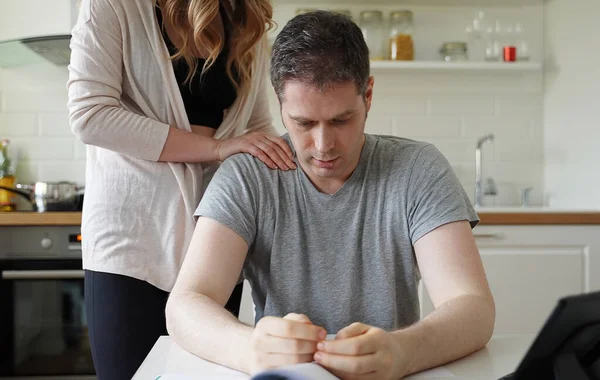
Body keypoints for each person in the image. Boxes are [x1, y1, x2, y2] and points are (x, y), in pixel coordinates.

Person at [166, 10, 496, 379]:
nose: (323, 146)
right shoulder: (247, 177)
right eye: (304, 123)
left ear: (368, 95)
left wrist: (405, 350)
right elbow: (185, 305)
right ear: (279, 105)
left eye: (341, 120)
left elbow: (473, 308)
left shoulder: (419, 169)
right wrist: (248, 348)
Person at [66, 0, 295, 378]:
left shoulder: (245, 17)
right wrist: (215, 149)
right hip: (131, 242)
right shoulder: (113, 6)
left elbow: (256, 126)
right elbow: (90, 115)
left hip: (216, 245)